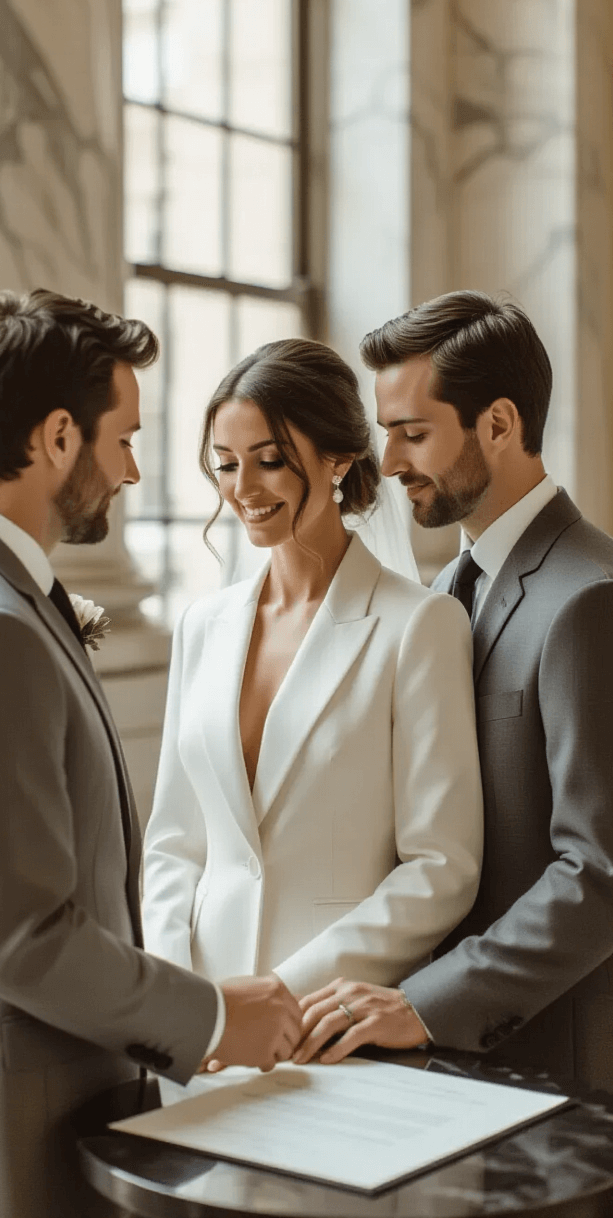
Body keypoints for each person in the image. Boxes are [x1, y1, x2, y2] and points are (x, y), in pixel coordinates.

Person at [0, 289, 303, 1218]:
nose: (133, 471)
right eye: (124, 439)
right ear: (59, 437)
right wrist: (217, 1018)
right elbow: (23, 940)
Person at [295, 291, 613, 1089]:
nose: (390, 462)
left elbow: (599, 870)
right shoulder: (443, 593)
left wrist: (428, 1004)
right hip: (438, 1046)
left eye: (413, 433)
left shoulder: (589, 598)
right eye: (386, 433)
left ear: (498, 424)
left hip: (555, 1058)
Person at [142, 338, 483, 1022]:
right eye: (226, 464)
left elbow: (442, 866)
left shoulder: (419, 625)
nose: (243, 489)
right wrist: (186, 1002)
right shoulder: (201, 626)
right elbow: (174, 843)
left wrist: (283, 994)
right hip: (202, 1018)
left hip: (331, 1012)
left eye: (269, 461)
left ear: (338, 458)